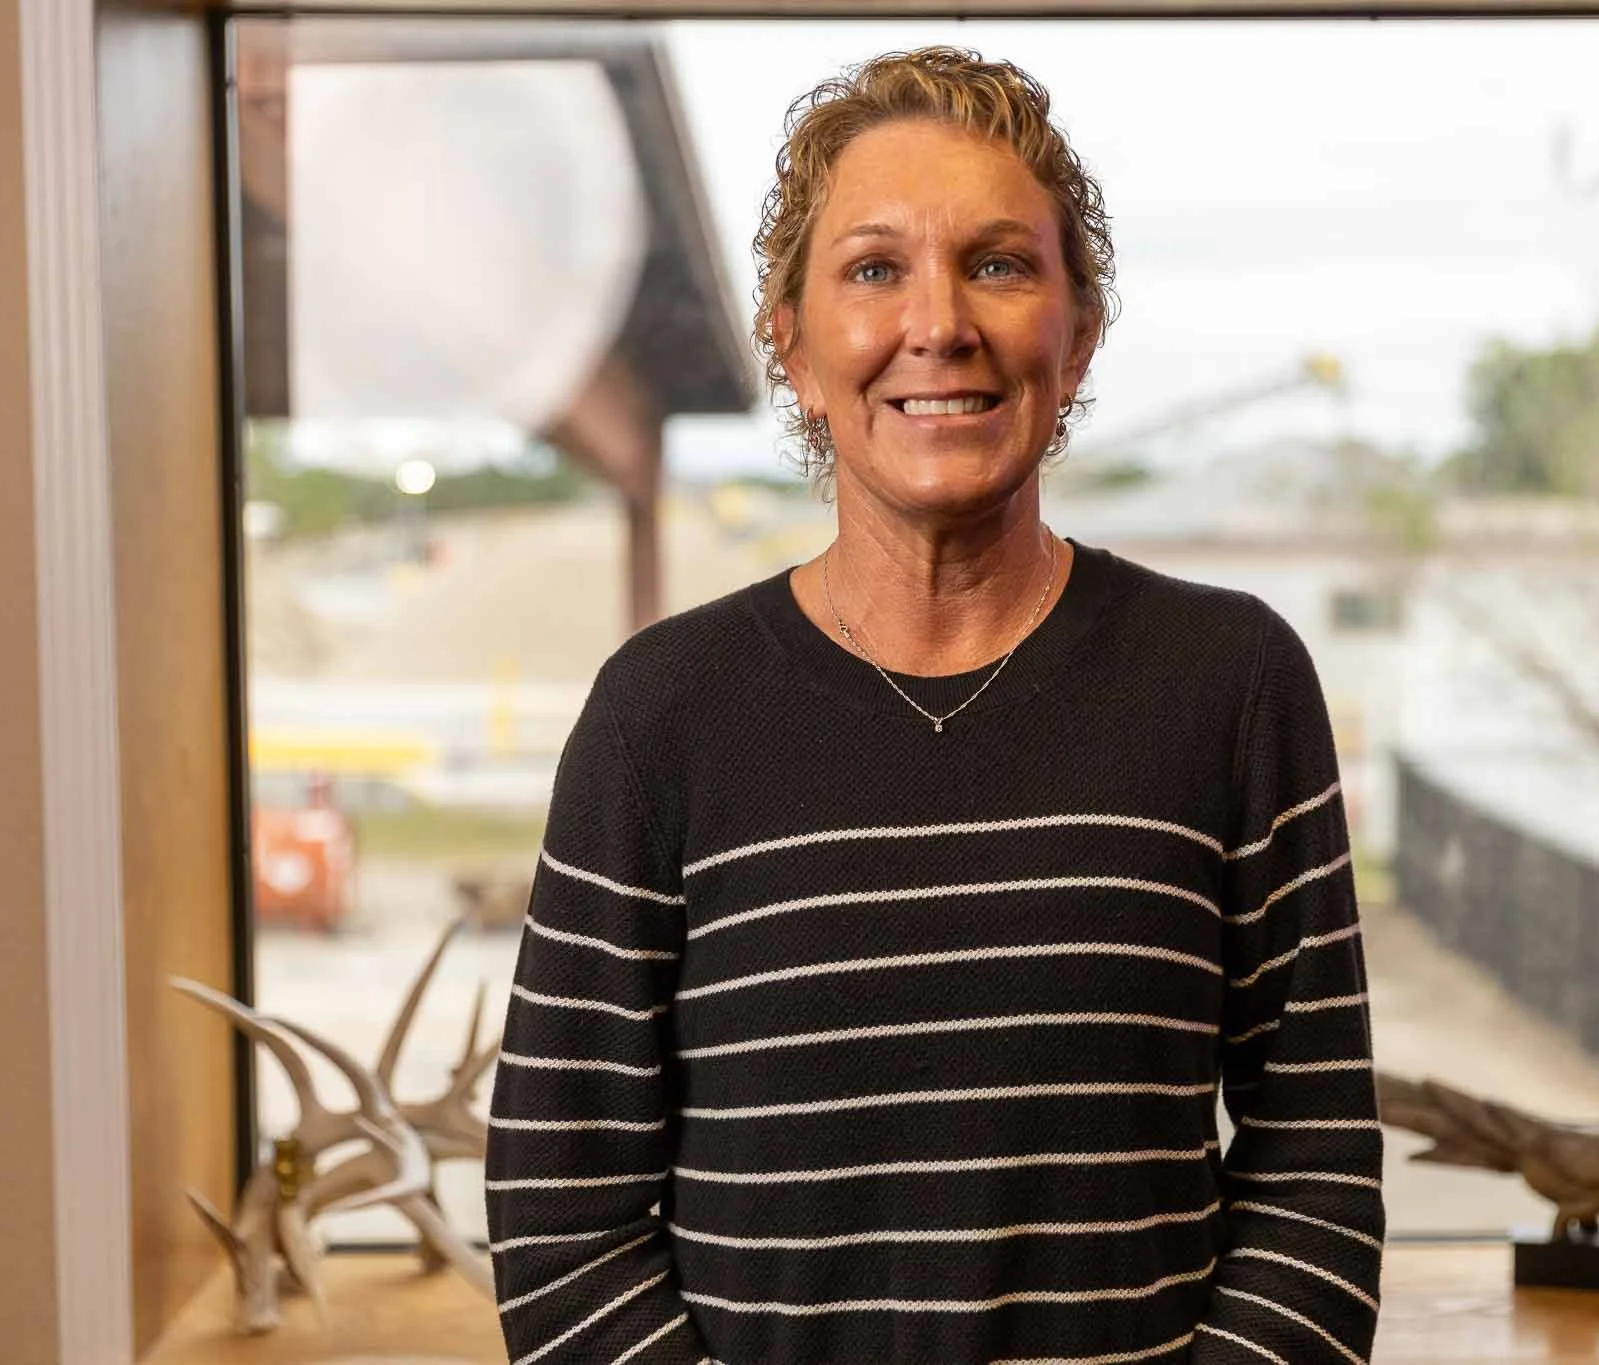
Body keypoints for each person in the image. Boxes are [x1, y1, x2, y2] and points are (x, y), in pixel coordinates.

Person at [486, 46, 1384, 1365]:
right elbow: (562, 1215)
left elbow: (1315, 1164)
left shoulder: (1231, 683)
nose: (941, 323)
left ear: (1076, 336)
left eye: (1002, 263)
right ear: (792, 345)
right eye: (874, 268)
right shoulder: (659, 716)